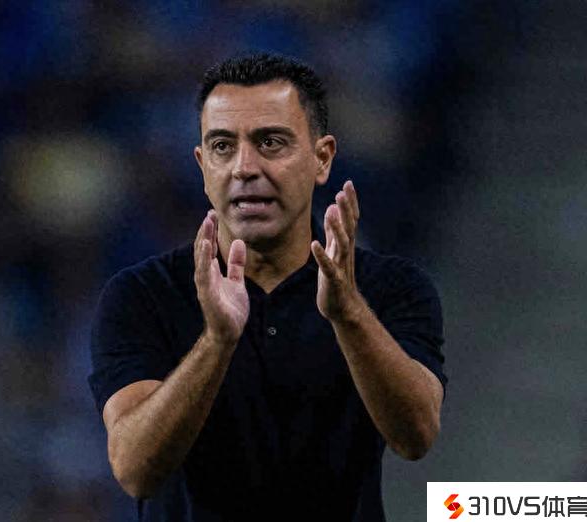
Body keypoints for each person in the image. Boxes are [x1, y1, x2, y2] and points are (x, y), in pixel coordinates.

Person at [88, 53, 447, 521]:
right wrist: (217, 342)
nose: (244, 167)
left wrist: (349, 315)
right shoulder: (141, 296)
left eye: (271, 142)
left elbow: (416, 436)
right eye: (222, 146)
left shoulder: (390, 288)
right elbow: (135, 469)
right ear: (202, 165)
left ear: (322, 158)